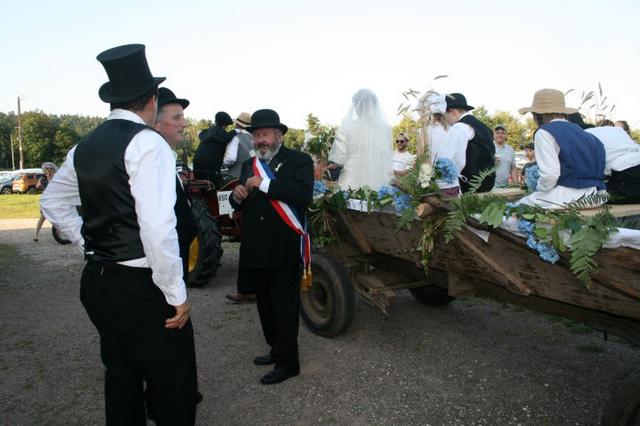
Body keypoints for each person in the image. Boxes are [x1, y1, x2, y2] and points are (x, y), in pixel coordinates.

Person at [40, 44, 198, 424]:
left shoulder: (83, 147)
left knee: (122, 373)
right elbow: (158, 227)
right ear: (152, 98)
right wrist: (176, 293)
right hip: (140, 285)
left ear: (113, 99)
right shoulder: (148, 144)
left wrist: (87, 243)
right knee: (173, 380)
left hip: (98, 280)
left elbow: (52, 202)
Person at [229, 109, 313, 385]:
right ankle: (276, 350)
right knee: (264, 304)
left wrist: (264, 184)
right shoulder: (248, 165)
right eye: (255, 135)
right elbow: (239, 201)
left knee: (284, 306)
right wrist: (236, 195)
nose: (260, 140)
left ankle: (289, 363)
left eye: (265, 134)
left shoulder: (298, 161)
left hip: (284, 246)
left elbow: (302, 195)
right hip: (256, 246)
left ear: (278, 135)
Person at [517, 88, 606, 209]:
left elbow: (550, 175)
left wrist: (538, 190)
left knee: (513, 210)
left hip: (566, 197)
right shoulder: (589, 136)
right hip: (596, 197)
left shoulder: (544, 132)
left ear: (538, 115)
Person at [328, 89, 394, 190]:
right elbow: (388, 158)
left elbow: (339, 158)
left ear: (356, 106)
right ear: (375, 106)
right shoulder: (385, 129)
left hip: (351, 180)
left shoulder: (347, 128)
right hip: (378, 181)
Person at [443, 93, 496, 192]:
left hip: (469, 185)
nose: (446, 120)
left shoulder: (459, 127)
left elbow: (456, 160)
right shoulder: (484, 127)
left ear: (452, 112)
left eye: (445, 115)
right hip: (488, 183)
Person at [585, 125, 640, 204]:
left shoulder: (584, 135)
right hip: (634, 161)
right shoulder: (615, 129)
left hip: (624, 169)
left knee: (595, 196)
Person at [193, 111, 236, 186]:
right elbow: (227, 138)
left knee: (201, 185)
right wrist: (235, 131)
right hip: (210, 166)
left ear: (216, 121)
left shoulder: (207, 132)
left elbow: (200, 134)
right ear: (225, 125)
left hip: (197, 163)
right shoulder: (222, 134)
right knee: (213, 186)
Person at [223, 112, 255, 179]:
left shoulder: (236, 137)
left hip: (237, 177)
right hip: (253, 177)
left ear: (237, 124)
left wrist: (220, 164)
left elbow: (230, 159)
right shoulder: (255, 138)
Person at [34, 162, 57, 241]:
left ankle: (59, 236)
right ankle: (36, 235)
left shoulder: (56, 178)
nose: (49, 170)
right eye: (47, 169)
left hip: (54, 200)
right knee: (42, 218)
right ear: (45, 170)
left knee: (58, 218)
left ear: (54, 170)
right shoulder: (43, 178)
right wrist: (39, 184)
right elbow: (37, 186)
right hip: (46, 201)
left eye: (51, 169)